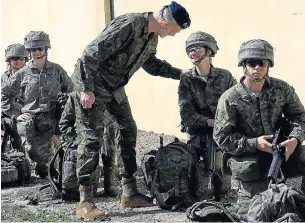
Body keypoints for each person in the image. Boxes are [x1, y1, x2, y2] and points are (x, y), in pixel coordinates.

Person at [69, 1, 191, 220]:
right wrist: (86, 89)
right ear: (165, 23)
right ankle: (84, 201)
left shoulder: (151, 35)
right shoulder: (131, 24)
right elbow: (90, 54)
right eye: (175, 30)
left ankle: (129, 191)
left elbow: (150, 63)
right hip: (93, 85)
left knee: (128, 129)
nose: (174, 35)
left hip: (114, 87)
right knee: (90, 139)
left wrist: (179, 74)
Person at [213, 39, 305, 202]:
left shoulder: (282, 89)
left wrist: (294, 140)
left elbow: (300, 117)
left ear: (269, 65)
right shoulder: (230, 98)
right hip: (251, 164)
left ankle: (304, 201)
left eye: (262, 63)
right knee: (258, 212)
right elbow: (222, 138)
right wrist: (254, 143)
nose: (257, 68)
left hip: (282, 153)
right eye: (252, 63)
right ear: (244, 65)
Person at [1, 31, 74, 179]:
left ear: (46, 49)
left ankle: (58, 172)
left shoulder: (57, 70)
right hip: (31, 120)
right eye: (34, 50)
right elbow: (4, 94)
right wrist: (16, 114)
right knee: (34, 152)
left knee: (61, 148)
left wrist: (65, 100)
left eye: (41, 49)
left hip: (52, 117)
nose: (38, 52)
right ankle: (41, 166)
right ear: (29, 51)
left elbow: (71, 90)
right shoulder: (22, 74)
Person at [178, 31, 236, 199]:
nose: (192, 53)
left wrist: (225, 124)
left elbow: (237, 104)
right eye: (189, 49)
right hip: (198, 134)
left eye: (197, 48)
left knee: (222, 186)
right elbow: (187, 115)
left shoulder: (225, 77)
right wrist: (210, 122)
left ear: (209, 51)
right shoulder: (187, 79)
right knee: (199, 187)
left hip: (223, 134)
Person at [1, 43, 29, 152]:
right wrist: (13, 114)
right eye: (14, 58)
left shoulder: (32, 77)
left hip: (25, 117)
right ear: (9, 60)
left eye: (21, 58)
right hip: (6, 117)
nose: (18, 61)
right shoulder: (3, 78)